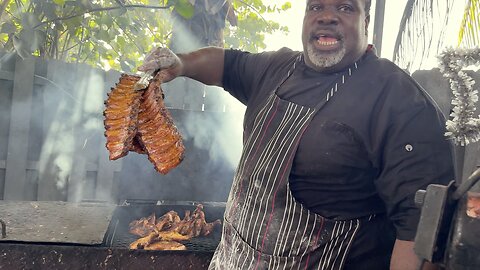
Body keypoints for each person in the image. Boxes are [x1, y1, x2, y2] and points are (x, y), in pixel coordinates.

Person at [138, 0, 455, 269]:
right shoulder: (277, 67)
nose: (326, 16)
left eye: (345, 7)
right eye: (316, 5)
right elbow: (226, 64)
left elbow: (419, 230)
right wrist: (181, 63)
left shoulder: (398, 100)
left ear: (366, 20)